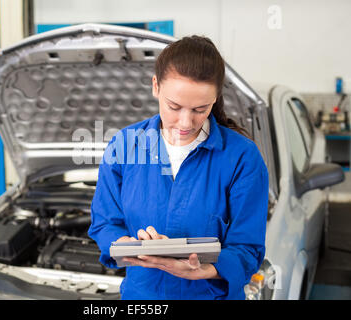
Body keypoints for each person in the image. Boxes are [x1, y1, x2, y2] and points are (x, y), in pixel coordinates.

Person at [88, 35, 269, 300]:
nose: (185, 122)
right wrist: (125, 245)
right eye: (174, 107)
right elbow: (104, 223)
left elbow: (248, 249)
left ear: (215, 98)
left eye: (200, 109)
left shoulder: (242, 158)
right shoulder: (123, 147)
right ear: (155, 87)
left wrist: (204, 269)